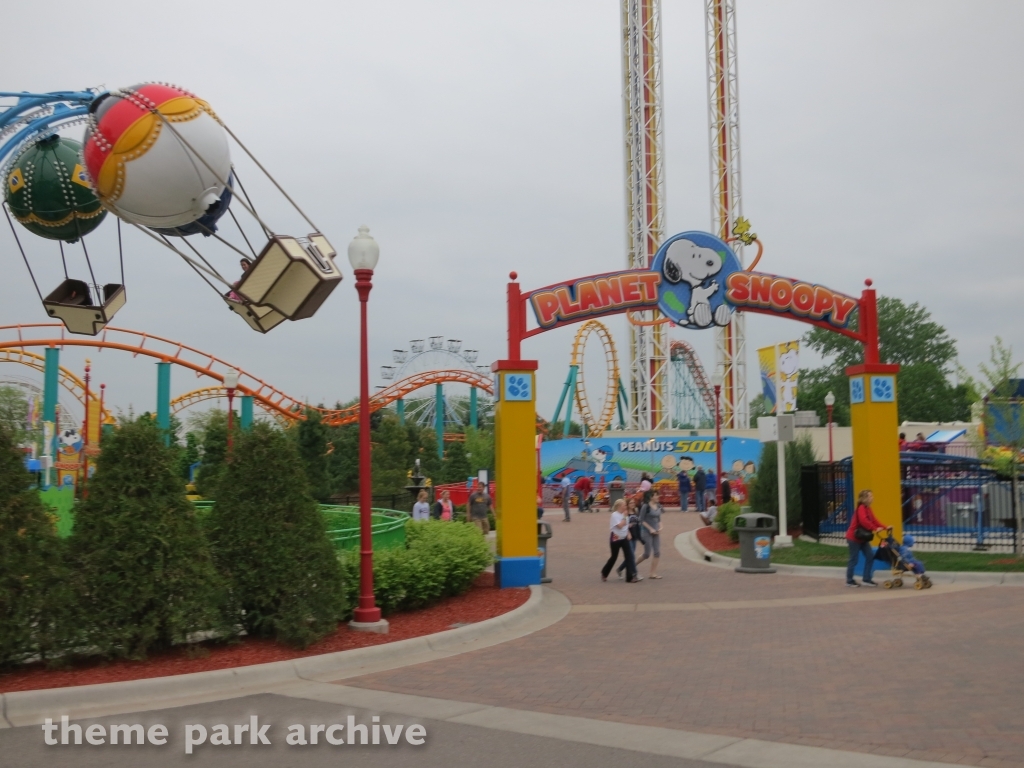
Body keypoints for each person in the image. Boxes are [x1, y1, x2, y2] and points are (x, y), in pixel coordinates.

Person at [846, 489, 887, 587]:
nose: (872, 498)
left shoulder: (868, 509)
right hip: (854, 538)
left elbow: (874, 520)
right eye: (870, 496)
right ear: (865, 498)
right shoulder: (861, 508)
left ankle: (866, 579)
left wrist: (885, 527)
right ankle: (849, 580)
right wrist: (875, 528)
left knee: (870, 556)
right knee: (854, 559)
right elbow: (864, 521)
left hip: (862, 538)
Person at [601, 499, 640, 582]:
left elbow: (626, 526)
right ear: (619, 506)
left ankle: (630, 577)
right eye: (624, 505)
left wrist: (628, 533)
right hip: (616, 538)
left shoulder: (624, 514)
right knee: (614, 557)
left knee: (629, 555)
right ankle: (604, 572)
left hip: (624, 537)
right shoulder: (615, 515)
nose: (625, 507)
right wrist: (625, 517)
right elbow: (620, 526)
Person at [635, 490, 664, 578]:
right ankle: (632, 565)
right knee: (647, 554)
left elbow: (658, 519)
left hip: (656, 532)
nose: (658, 497)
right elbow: (641, 520)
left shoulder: (658, 506)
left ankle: (652, 573)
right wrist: (650, 529)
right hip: (646, 532)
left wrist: (661, 527)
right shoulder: (645, 506)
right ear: (651, 497)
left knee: (657, 552)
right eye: (656, 495)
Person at [616, 498, 642, 579]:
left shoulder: (636, 512)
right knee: (632, 556)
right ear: (627, 504)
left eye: (633, 503)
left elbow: (638, 525)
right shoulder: (625, 513)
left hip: (634, 536)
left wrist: (640, 536)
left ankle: (620, 569)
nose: (633, 504)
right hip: (628, 536)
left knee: (630, 556)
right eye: (631, 503)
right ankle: (635, 574)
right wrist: (627, 528)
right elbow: (622, 525)